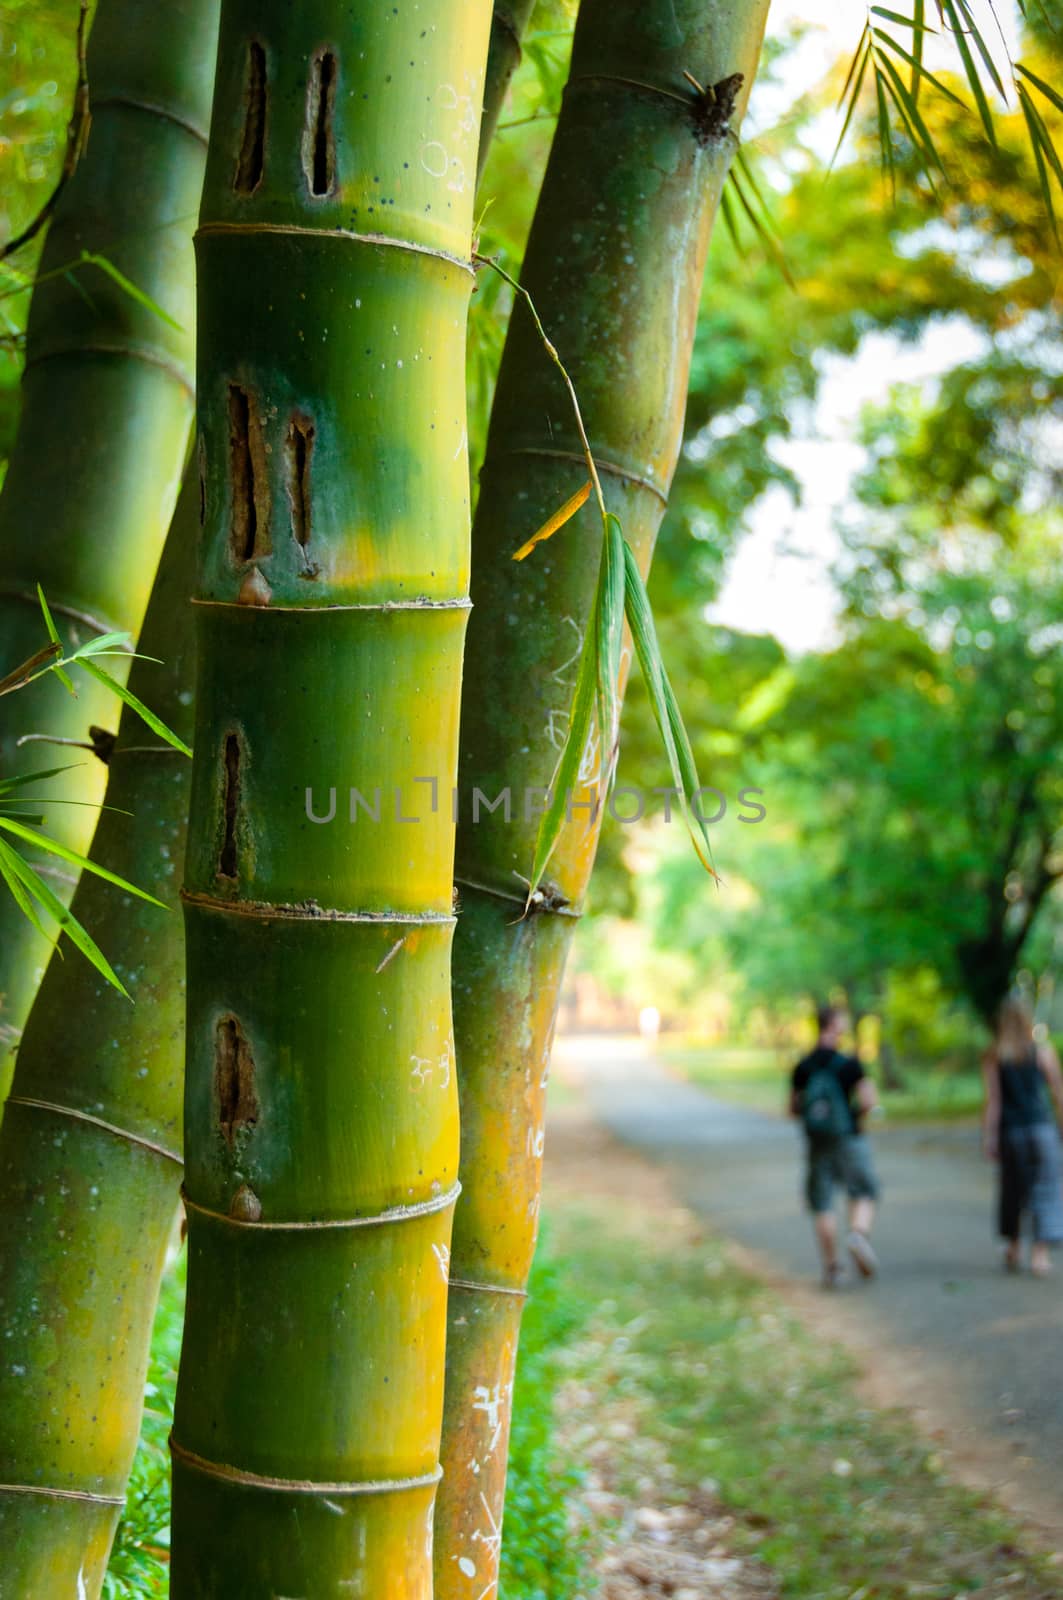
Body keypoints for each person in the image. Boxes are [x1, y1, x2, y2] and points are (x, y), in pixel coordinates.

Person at [790, 1003, 881, 1288]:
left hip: (817, 1142)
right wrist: (856, 1118)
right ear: (836, 1025)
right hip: (849, 1137)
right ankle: (857, 1234)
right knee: (864, 1191)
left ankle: (832, 1269)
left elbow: (793, 1107)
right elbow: (868, 1101)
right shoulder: (850, 1064)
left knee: (822, 1204)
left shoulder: (803, 1066)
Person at [982, 997, 1063, 1277]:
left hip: (1011, 1132)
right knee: (1047, 1189)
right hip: (1041, 1128)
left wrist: (989, 1137)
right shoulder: (1042, 1052)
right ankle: (1039, 1256)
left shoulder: (995, 1055)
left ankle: (1014, 1248)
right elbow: (1057, 1093)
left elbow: (994, 1101)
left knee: (1012, 1191)